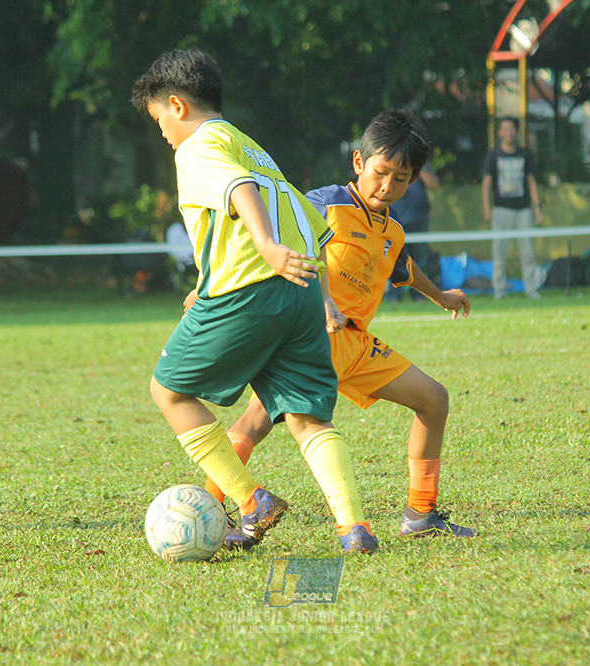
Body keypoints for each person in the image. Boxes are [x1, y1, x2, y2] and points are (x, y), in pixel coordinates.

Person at [130, 48, 378, 554]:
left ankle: (249, 500)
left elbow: (239, 190)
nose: (162, 133)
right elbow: (311, 225)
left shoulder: (197, 146)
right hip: (302, 290)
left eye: (158, 119)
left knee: (168, 392)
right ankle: (355, 529)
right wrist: (322, 298)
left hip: (251, 288)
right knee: (309, 419)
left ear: (177, 105)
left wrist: (263, 248)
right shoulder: (252, 147)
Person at [205, 109, 479, 543]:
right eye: (381, 172)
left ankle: (421, 514)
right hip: (309, 338)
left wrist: (441, 296)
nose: (388, 186)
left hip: (355, 345)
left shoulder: (392, 230)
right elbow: (282, 238)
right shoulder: (323, 203)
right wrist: (323, 299)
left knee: (433, 400)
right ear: (359, 163)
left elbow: (401, 267)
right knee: (256, 421)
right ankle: (209, 510)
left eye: (401, 179)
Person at [482, 117, 543, 299]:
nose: (509, 132)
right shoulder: (493, 155)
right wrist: (487, 207)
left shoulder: (525, 154)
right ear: (500, 133)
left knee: (528, 252)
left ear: (516, 132)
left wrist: (537, 206)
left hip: (523, 209)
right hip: (501, 209)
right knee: (499, 252)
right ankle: (499, 291)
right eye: (505, 129)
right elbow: (486, 182)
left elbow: (531, 180)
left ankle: (531, 290)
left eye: (512, 129)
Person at [386, 161, 439, 301]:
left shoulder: (421, 164)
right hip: (398, 220)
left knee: (420, 260)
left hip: (420, 219)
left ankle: (418, 296)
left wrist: (420, 170)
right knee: (395, 260)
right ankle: (394, 296)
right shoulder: (392, 161)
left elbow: (434, 185)